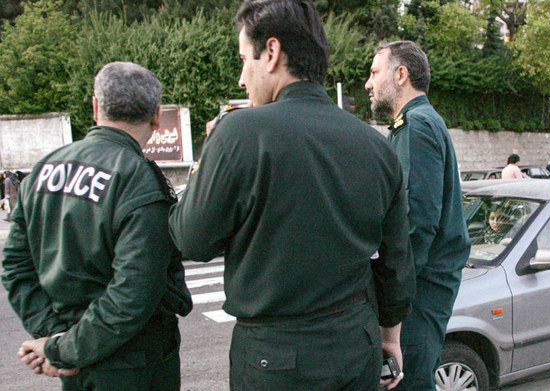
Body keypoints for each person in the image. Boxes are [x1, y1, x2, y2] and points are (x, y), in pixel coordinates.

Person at [169, 1, 415, 390]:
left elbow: (192, 238)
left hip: (275, 358)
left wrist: (210, 146)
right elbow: (396, 262)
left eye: (242, 60)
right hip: (357, 344)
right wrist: (390, 339)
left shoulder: (239, 134)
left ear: (271, 52)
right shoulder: (378, 146)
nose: (240, 79)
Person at [1, 62, 193, 391]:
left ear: (94, 107)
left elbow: (16, 266)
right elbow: (132, 295)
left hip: (77, 357)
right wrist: (63, 347)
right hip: (134, 362)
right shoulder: (141, 181)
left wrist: (54, 337)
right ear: (156, 116)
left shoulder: (43, 170)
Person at [364, 40, 471, 391]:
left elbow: (415, 225)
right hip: (425, 290)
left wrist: (393, 299)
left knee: (407, 382)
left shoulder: (415, 125)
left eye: (374, 72)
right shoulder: (423, 121)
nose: (368, 83)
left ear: (401, 75)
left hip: (417, 295)